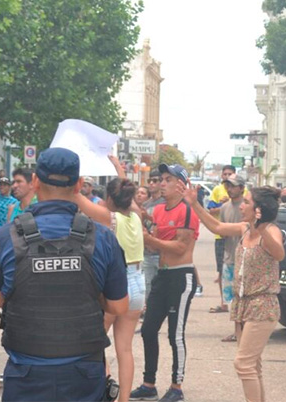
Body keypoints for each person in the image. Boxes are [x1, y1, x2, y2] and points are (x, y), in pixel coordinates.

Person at [0, 148, 129, 401]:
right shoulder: (103, 237)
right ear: (79, 185)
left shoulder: (6, 236)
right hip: (83, 375)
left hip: (26, 372)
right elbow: (118, 306)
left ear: (35, 181)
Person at [183, 183, 285, 402]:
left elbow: (279, 254)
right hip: (243, 304)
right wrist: (195, 204)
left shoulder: (270, 230)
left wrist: (262, 229)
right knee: (252, 365)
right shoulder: (244, 228)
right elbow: (217, 227)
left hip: (262, 304)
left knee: (243, 364)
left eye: (247, 202)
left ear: (259, 209)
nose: (241, 206)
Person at [131, 164, 199, 402]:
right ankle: (149, 383)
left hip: (181, 276)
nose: (162, 183)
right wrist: (144, 235)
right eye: (161, 179)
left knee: (175, 334)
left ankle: (176, 387)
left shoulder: (187, 211)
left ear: (181, 184)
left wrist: (150, 239)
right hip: (162, 274)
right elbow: (154, 245)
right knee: (148, 329)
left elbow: (180, 247)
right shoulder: (158, 210)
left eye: (168, 179)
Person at [103, 178, 145, 402]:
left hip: (117, 282)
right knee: (125, 349)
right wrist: (118, 167)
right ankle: (124, 399)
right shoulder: (136, 217)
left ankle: (105, 385)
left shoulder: (110, 218)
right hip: (138, 281)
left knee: (95, 341)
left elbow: (79, 200)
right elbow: (129, 198)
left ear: (109, 198)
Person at [214, 175, 247, 342]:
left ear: (241, 188)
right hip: (229, 256)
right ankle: (236, 331)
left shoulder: (246, 207)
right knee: (234, 298)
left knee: (245, 296)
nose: (230, 189)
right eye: (228, 186)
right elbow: (221, 231)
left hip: (245, 258)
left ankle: (246, 331)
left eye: (233, 186)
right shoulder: (224, 208)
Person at [207, 165, 237, 314]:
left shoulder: (243, 191)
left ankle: (237, 304)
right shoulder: (217, 190)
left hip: (238, 236)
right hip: (221, 236)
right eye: (224, 174)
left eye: (229, 174)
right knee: (221, 269)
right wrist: (223, 205)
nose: (227, 176)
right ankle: (224, 302)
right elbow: (211, 211)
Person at [141, 169, 165, 305]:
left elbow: (162, 224)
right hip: (147, 251)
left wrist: (148, 217)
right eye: (149, 181)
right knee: (148, 284)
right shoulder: (146, 204)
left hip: (161, 251)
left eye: (155, 181)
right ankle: (149, 309)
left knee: (162, 284)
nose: (151, 183)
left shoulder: (165, 203)